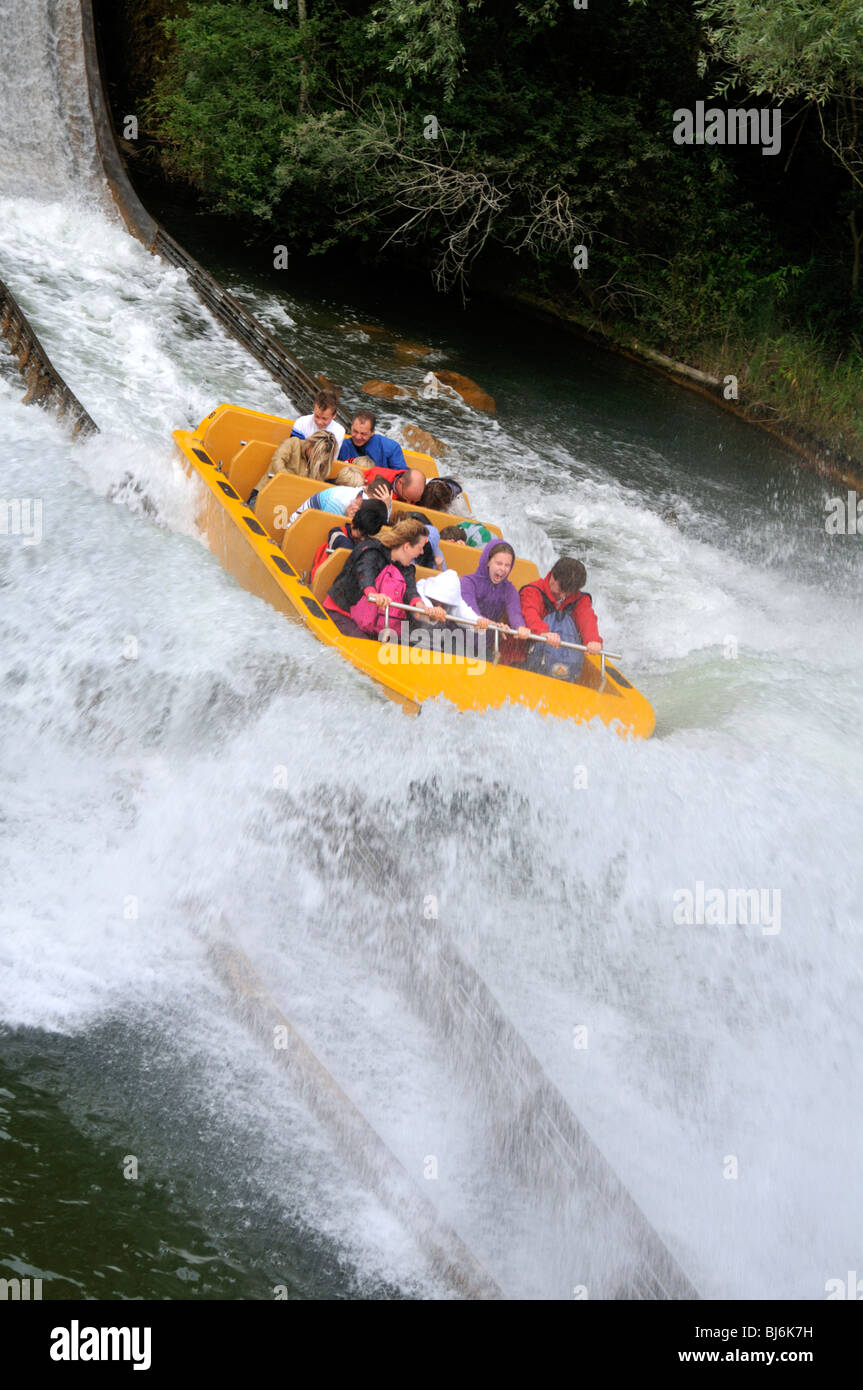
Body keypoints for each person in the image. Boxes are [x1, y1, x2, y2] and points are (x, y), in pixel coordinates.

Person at [323, 517, 447, 637]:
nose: (422, 553)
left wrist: (426, 610)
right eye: (420, 548)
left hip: (372, 621)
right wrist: (373, 594)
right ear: (407, 546)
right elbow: (365, 572)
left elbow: (411, 593)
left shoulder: (407, 568)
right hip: (344, 613)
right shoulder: (371, 550)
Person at [516, 558, 602, 680]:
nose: (562, 596)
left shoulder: (580, 599)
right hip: (528, 657)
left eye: (567, 592)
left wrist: (592, 640)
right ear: (553, 576)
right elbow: (530, 613)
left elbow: (587, 619)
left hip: (565, 664)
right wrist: (543, 632)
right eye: (561, 590)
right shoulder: (532, 591)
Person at [459, 540, 530, 658]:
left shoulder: (509, 589)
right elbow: (471, 612)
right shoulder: (468, 582)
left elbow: (515, 612)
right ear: (488, 562)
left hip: (484, 647)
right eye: (499, 563)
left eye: (507, 565)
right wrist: (494, 624)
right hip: (456, 641)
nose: (503, 569)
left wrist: (520, 627)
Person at [310, 498, 389, 580]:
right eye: (360, 533)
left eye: (365, 536)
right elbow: (347, 551)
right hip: (324, 578)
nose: (362, 538)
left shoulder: (370, 540)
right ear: (353, 524)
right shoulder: (338, 533)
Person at [286, 474, 393, 527]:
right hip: (300, 526)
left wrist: (386, 508)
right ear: (364, 489)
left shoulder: (384, 504)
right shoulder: (339, 500)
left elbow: (377, 530)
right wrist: (348, 520)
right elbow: (325, 529)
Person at [337, 410, 407, 470]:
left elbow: (401, 476)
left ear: (372, 432)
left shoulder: (391, 448)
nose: (358, 437)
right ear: (351, 427)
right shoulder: (341, 445)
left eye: (363, 434)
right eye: (355, 431)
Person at [270, 429, 338, 482]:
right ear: (309, 443)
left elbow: (318, 481)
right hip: (271, 488)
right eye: (315, 454)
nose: (317, 459)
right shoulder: (293, 443)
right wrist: (288, 480)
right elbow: (277, 460)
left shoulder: (321, 462)